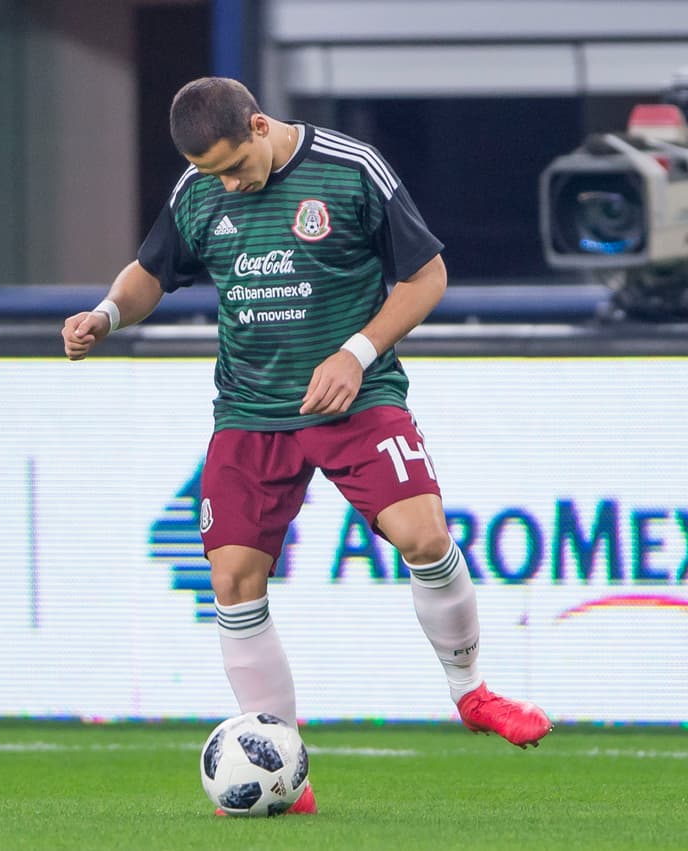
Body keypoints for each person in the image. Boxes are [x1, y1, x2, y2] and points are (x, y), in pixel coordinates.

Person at [62, 77, 552, 813]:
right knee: (232, 581)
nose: (227, 183)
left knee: (423, 534)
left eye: (234, 166)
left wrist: (356, 352)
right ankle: (284, 768)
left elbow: (428, 275)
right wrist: (104, 313)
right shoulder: (197, 191)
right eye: (212, 174)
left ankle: (470, 690)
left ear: (260, 124)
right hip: (251, 410)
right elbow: (150, 272)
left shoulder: (350, 169)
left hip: (356, 397)